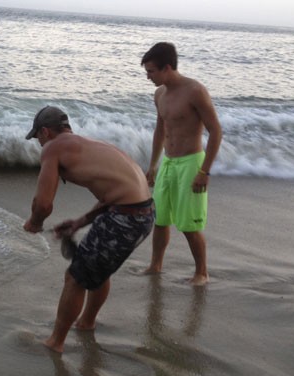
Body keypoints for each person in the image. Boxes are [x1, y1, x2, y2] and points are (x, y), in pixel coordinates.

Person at [23, 105, 154, 353]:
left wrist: (34, 223)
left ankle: (56, 342)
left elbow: (43, 203)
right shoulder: (93, 145)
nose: (39, 143)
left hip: (125, 217)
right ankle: (85, 323)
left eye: (37, 137)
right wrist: (80, 222)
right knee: (95, 271)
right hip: (142, 212)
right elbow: (116, 193)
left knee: (75, 278)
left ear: (45, 131)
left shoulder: (53, 148)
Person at [140, 42, 222, 285]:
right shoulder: (159, 94)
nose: (148, 77)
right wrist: (152, 165)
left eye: (151, 71)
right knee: (160, 218)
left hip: (191, 163)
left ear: (167, 67)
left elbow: (216, 131)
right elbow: (159, 130)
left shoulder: (195, 91)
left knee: (188, 223)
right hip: (168, 162)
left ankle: (202, 273)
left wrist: (204, 171)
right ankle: (155, 265)